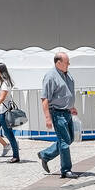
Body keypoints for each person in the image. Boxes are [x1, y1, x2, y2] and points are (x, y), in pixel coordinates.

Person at [38, 50, 80, 178]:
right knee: (64, 142)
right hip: (57, 113)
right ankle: (66, 170)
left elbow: (66, 93)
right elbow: (45, 99)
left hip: (67, 112)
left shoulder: (67, 74)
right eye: (67, 62)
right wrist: (47, 118)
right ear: (58, 62)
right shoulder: (50, 76)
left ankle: (45, 155)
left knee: (69, 139)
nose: (69, 64)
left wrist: (71, 106)